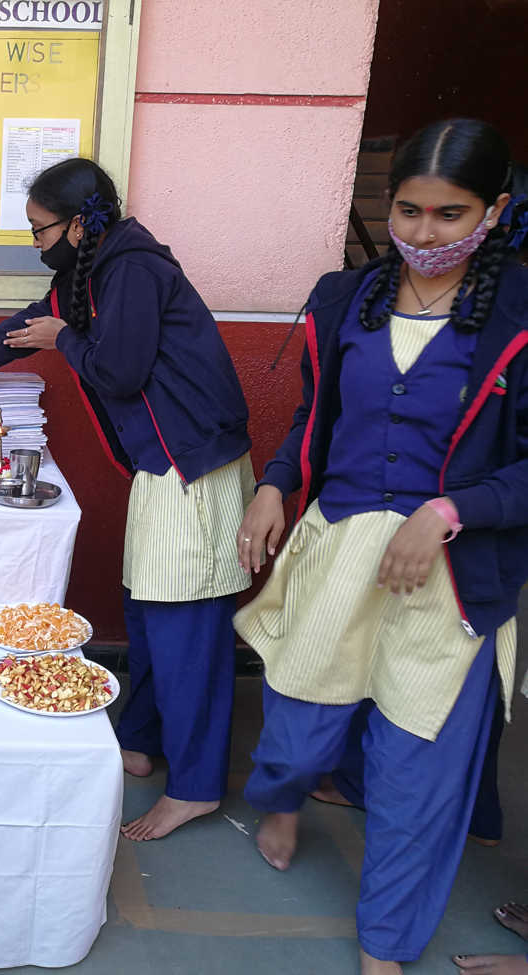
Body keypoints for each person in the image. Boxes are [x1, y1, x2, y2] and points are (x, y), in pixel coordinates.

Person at [0, 157, 254, 841]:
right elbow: (10, 336)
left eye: (39, 228)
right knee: (147, 611)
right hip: (159, 467)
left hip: (193, 466)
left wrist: (66, 340)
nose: (35, 242)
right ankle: (141, 741)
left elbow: (120, 368)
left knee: (187, 629)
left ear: (81, 223)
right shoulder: (84, 275)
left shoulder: (134, 268)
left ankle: (196, 784)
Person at [234, 118, 526, 975]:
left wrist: (451, 510)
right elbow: (312, 423)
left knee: (415, 775)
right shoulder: (344, 299)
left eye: (449, 214)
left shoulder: (517, 315)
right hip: (340, 553)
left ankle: (385, 945)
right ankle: (283, 798)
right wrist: (272, 484)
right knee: (297, 727)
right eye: (407, 211)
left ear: (495, 209)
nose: (424, 234)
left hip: (454, 580)